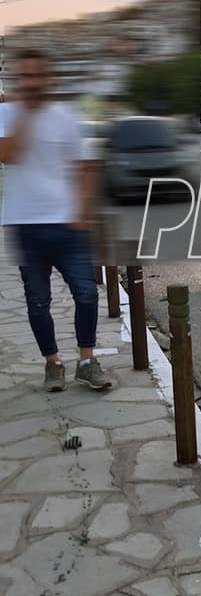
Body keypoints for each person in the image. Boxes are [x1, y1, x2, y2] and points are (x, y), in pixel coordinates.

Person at [0, 49, 113, 392]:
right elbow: (9, 154)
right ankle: (53, 363)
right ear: (19, 80)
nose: (33, 83)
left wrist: (83, 213)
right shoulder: (6, 114)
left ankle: (86, 360)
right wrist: (24, 112)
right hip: (25, 224)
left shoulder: (66, 116)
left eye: (39, 76)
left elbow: (83, 166)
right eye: (26, 77)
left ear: (49, 79)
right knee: (37, 302)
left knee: (87, 295)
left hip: (68, 225)